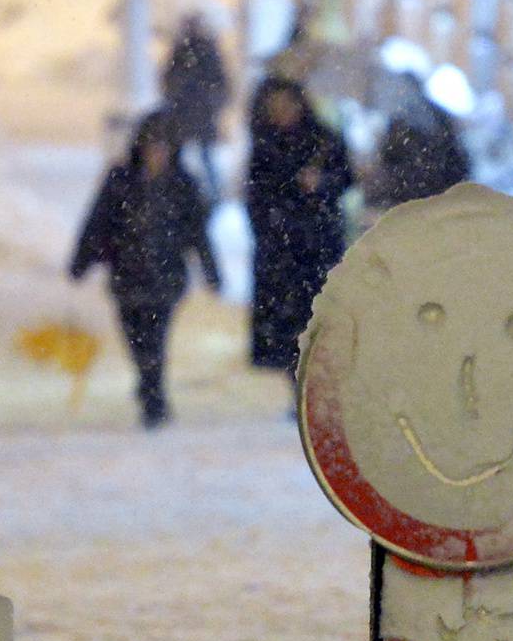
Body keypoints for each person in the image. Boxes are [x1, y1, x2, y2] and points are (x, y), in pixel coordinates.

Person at [69, 110, 221, 429]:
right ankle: (147, 380)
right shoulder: (120, 180)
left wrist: (211, 272)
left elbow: (197, 233)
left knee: (156, 337)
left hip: (166, 278)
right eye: (152, 146)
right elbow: (98, 222)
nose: (157, 153)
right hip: (127, 275)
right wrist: (81, 261)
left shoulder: (183, 185)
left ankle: (153, 395)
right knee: (134, 336)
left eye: (163, 146)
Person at [245, 78, 354, 391]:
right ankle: (298, 388)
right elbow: (256, 197)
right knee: (286, 326)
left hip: (319, 247)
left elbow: (346, 178)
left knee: (318, 321)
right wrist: (270, 228)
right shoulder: (265, 146)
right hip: (280, 250)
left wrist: (321, 184)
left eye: (287, 105)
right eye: (275, 107)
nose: (282, 113)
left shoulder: (324, 140)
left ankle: (313, 386)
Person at [365, 72, 472, 211]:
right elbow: (459, 158)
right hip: (438, 195)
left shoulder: (400, 119)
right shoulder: (438, 115)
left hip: (411, 197)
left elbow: (388, 157)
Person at [160, 13, 231, 201]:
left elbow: (221, 85)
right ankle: (188, 195)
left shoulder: (204, 51)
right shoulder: (184, 51)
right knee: (184, 159)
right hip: (188, 114)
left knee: (204, 159)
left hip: (198, 114)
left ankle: (212, 196)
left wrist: (207, 100)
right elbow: (168, 81)